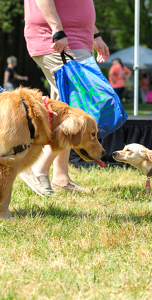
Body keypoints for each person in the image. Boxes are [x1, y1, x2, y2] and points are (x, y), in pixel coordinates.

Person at [21, 0, 110, 196]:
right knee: (79, 108)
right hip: (58, 38)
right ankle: (37, 169)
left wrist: (95, 34)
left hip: (77, 39)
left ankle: (61, 177)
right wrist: (57, 29)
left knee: (65, 107)